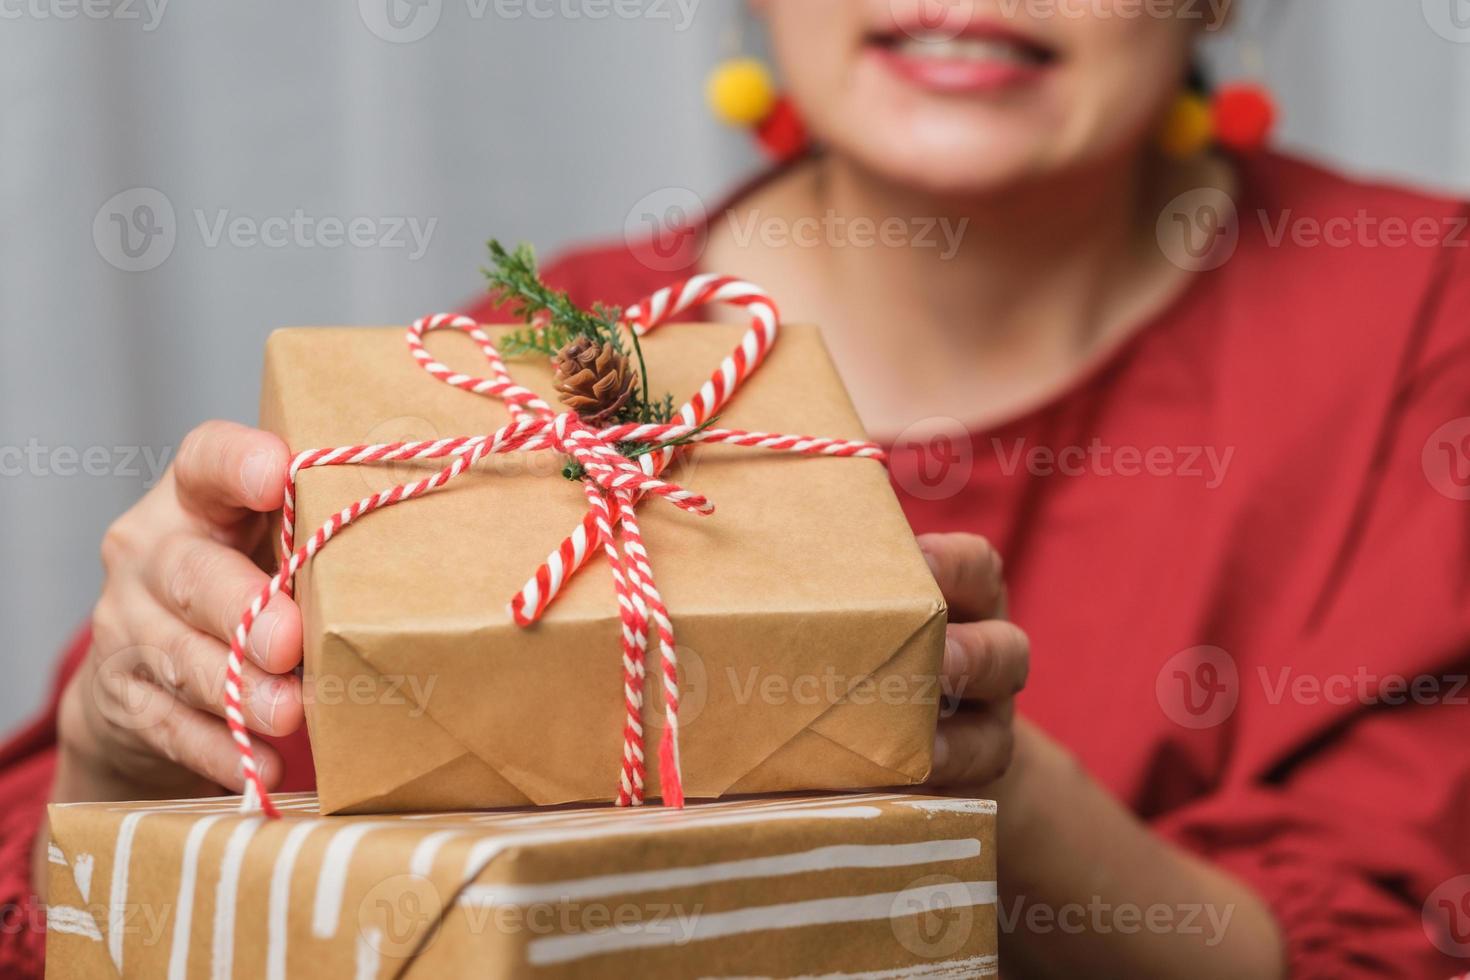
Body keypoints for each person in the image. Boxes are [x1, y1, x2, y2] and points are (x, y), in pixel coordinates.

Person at [5, 2, 1468, 976]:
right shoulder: (525, 366)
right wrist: (121, 765)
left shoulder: (1421, 326)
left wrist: (968, 770)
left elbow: (1389, 940)